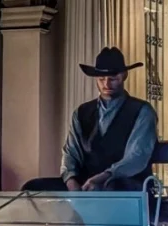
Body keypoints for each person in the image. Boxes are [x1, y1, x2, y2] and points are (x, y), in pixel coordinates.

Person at [59, 47, 157, 193]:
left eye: (113, 79)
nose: (106, 84)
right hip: (86, 186)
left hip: (128, 187)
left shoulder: (142, 111)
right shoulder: (81, 113)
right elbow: (71, 153)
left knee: (108, 187)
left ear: (124, 76)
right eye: (101, 79)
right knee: (34, 187)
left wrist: (103, 177)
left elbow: (136, 157)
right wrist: (71, 183)